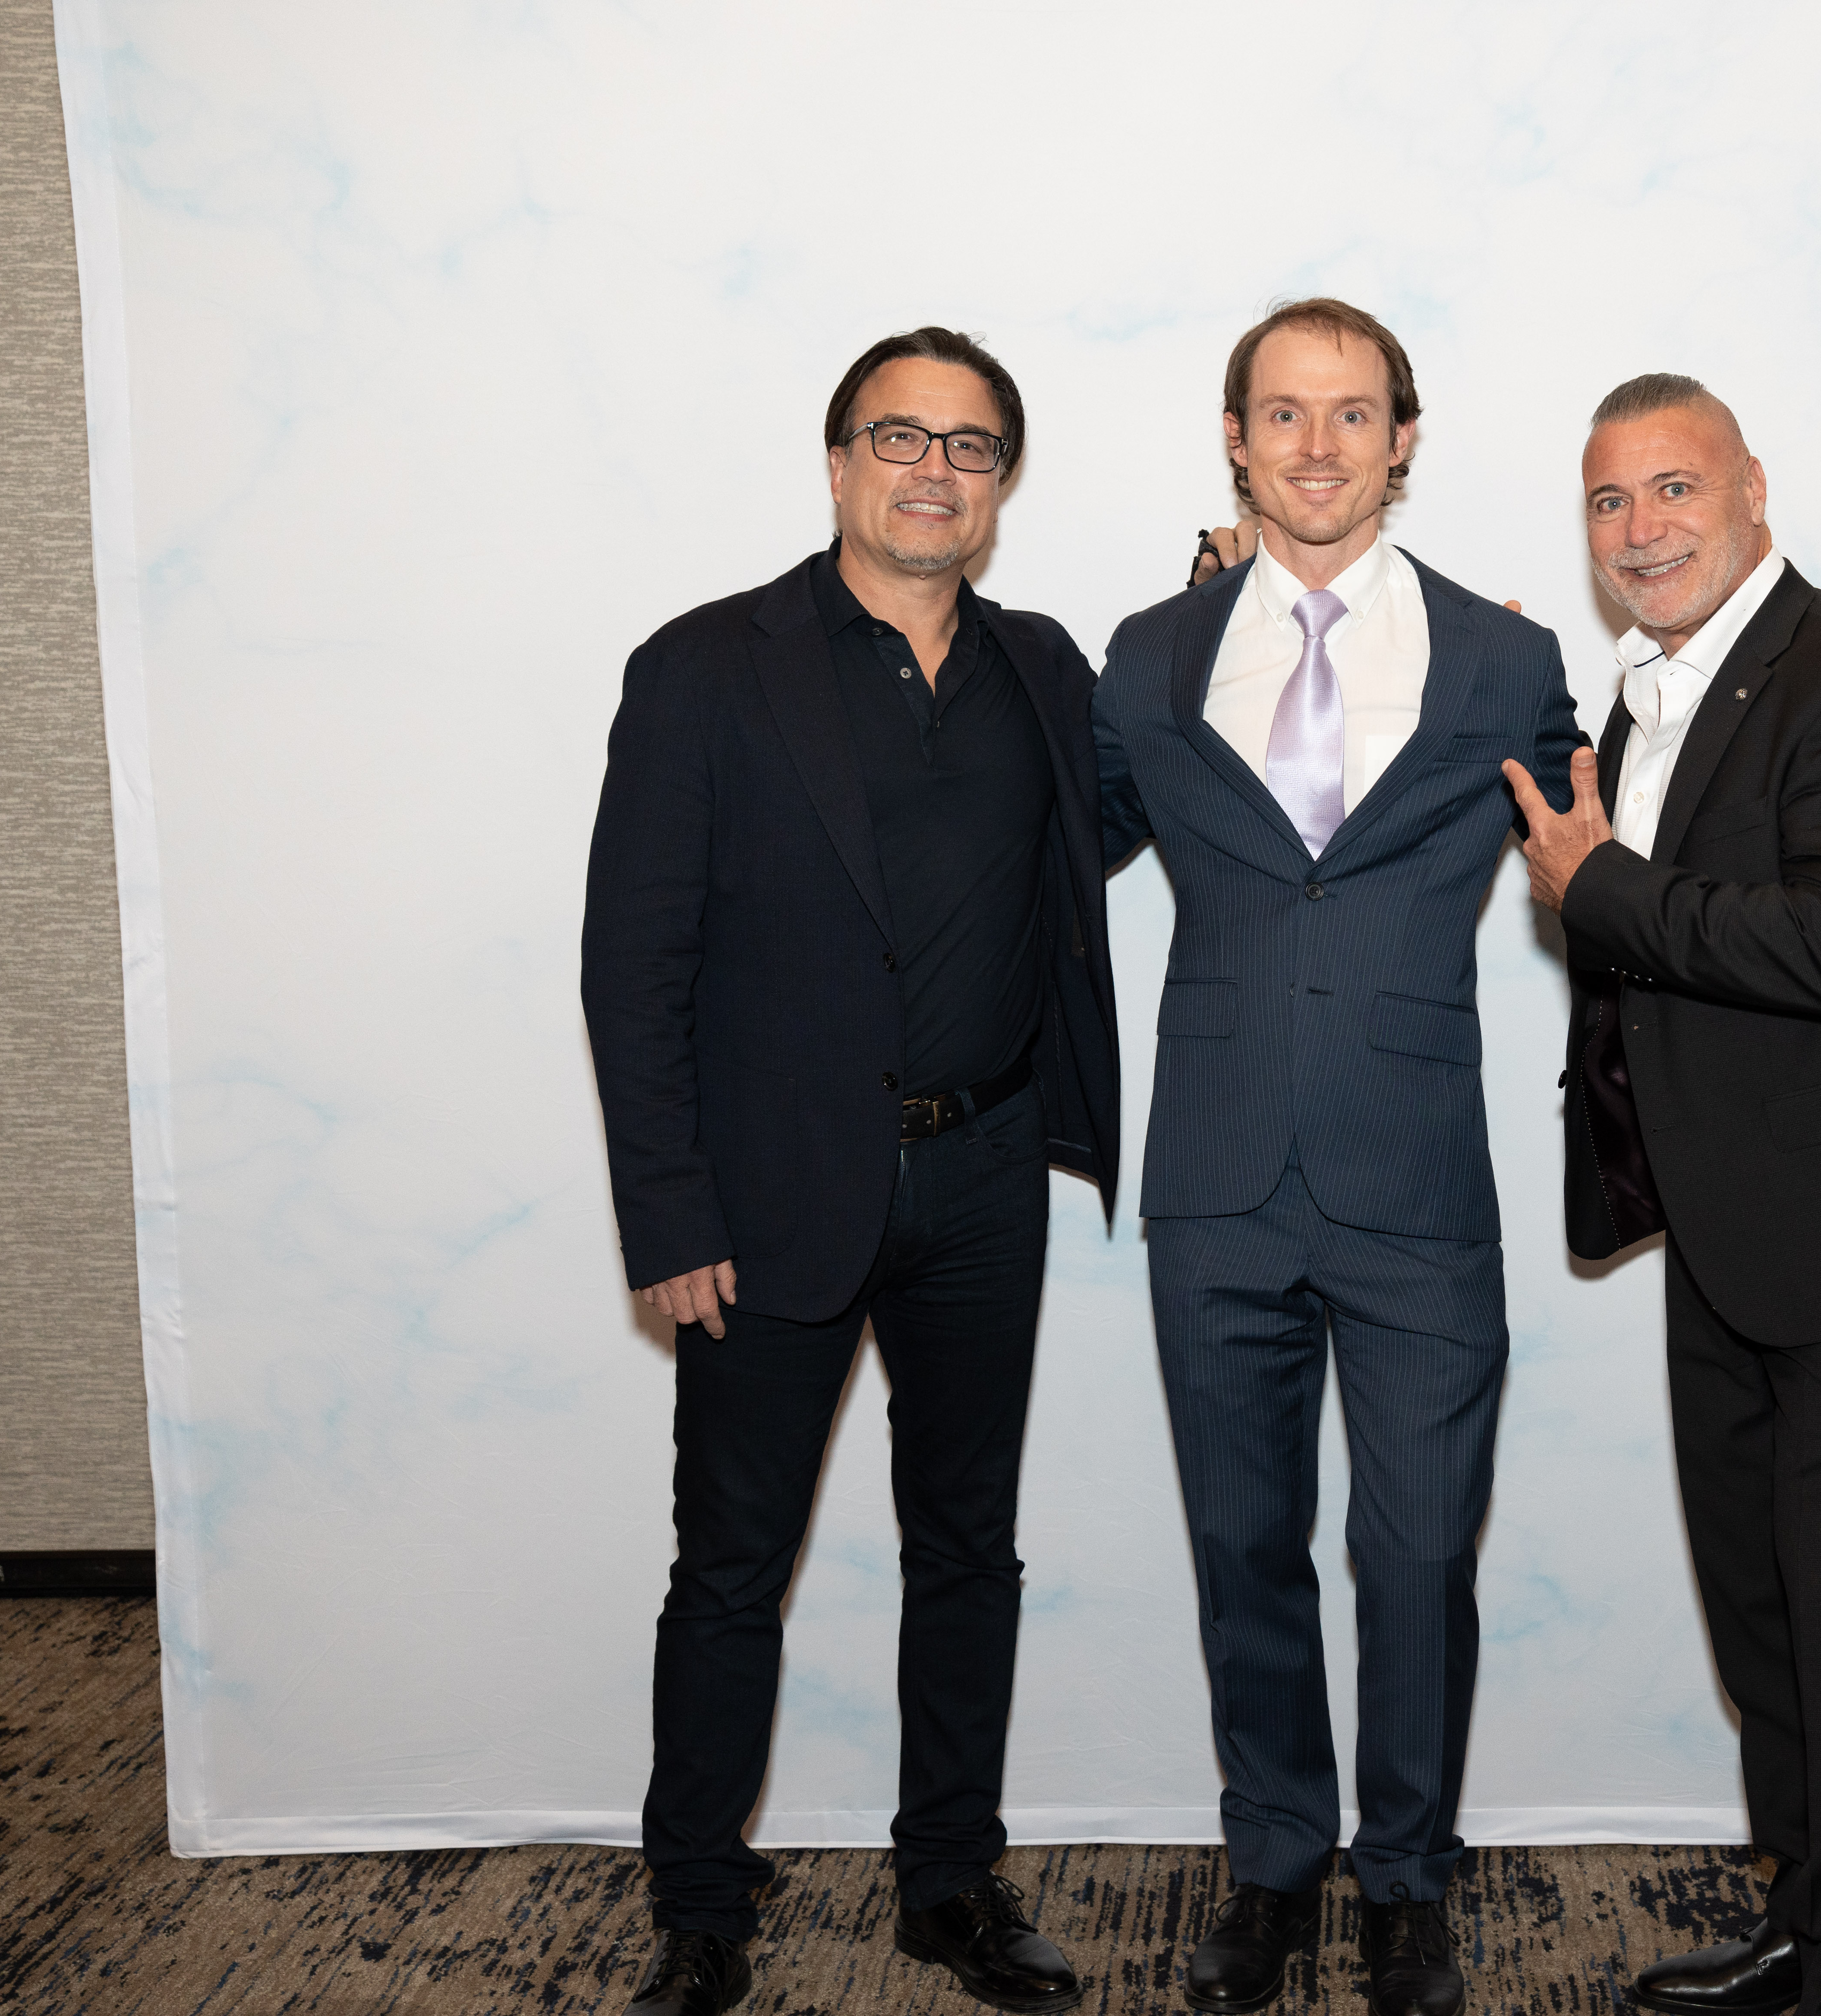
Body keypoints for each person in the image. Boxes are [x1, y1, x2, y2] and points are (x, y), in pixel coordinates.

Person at [581, 328, 1117, 2016]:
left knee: (968, 1549)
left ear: (1002, 483)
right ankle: (699, 1907)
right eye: (900, 437)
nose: (933, 471)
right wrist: (667, 1211)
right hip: (763, 1199)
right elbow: (632, 964)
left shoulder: (1044, 667)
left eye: (970, 446)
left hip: (985, 1178)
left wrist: (1230, 609)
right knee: (731, 1567)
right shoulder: (706, 667)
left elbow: (1101, 829)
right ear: (837, 465)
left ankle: (951, 1884)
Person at [1504, 375, 1821, 2016]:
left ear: (1752, 491)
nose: (1641, 527)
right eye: (1609, 501)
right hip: (1724, 1228)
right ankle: (1811, 1919)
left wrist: (1602, 887)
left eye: (1675, 488)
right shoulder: (1648, 694)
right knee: (1763, 1611)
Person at [1093, 299, 1583, 2016]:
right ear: (1237, 439)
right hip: (1215, 1176)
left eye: (1353, 413)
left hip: (1417, 1182)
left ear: (1403, 439)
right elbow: (1048, 846)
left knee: (1421, 1556)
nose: (1318, 445)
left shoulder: (1505, 659)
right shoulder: (1150, 653)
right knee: (1245, 1547)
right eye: (1285, 414)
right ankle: (1276, 1863)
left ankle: (1410, 1885)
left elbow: (1610, 839)